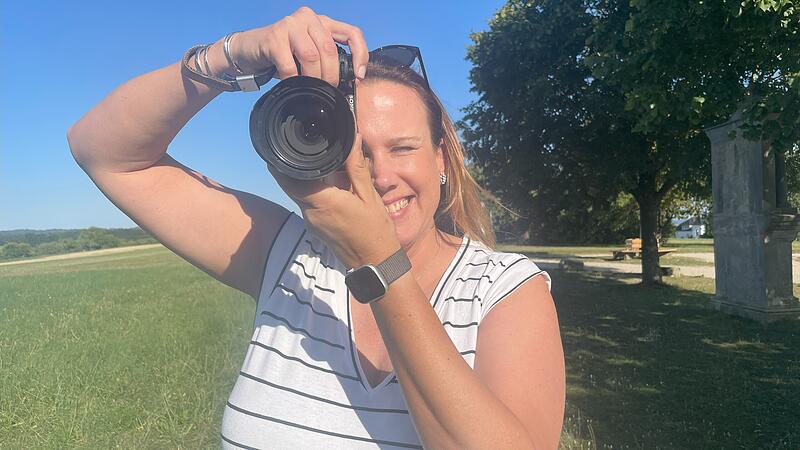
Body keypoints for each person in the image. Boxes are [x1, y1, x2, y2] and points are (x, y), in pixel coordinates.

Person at [67, 7, 565, 449]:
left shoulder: (503, 288)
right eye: (359, 151)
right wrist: (233, 55)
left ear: (440, 158)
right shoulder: (290, 255)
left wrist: (379, 266)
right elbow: (107, 154)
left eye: (403, 148)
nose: (382, 177)